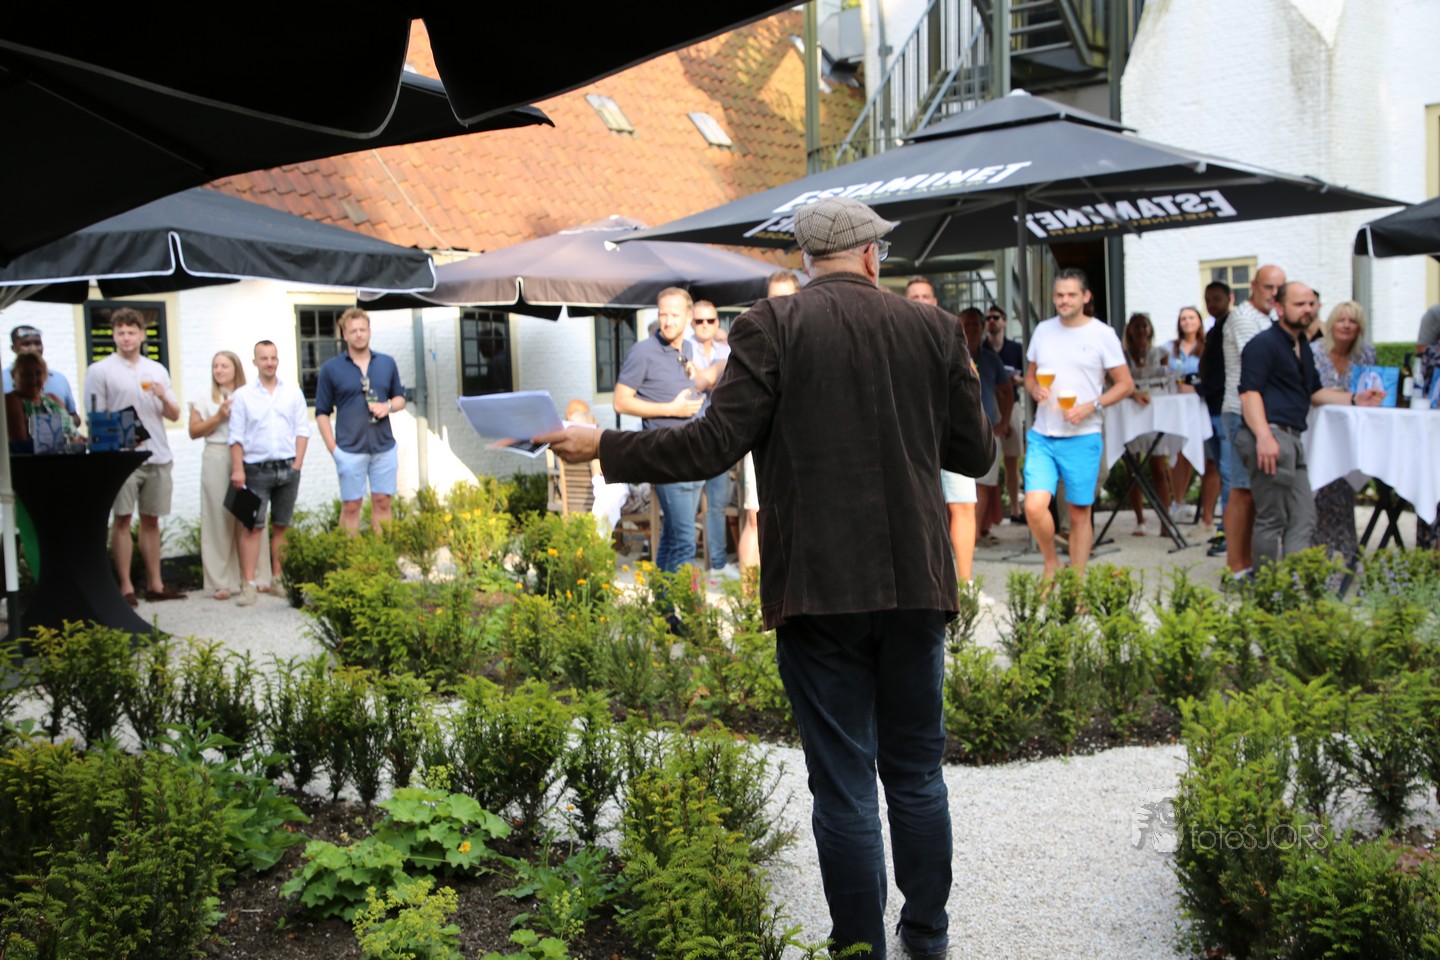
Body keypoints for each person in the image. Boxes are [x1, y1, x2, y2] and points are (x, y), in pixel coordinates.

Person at [537, 196, 993, 960]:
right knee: (917, 775)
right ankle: (928, 935)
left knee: (844, 786)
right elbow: (976, 454)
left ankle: (859, 950)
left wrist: (604, 446)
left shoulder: (770, 325)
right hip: (915, 580)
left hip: (818, 585)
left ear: (807, 260)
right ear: (872, 255)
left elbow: (710, 445)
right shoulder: (933, 328)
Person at [1232, 283, 1384, 568]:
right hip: (1270, 436)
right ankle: (1266, 587)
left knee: (1304, 518)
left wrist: (1355, 398)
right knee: (1272, 519)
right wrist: (1264, 436)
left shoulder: (1301, 345)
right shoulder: (1263, 344)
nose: (1308, 310)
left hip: (1293, 439)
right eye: (1299, 304)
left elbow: (1314, 392)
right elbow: (1249, 393)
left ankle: (1294, 584)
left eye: (1311, 304)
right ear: (1279, 308)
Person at [1024, 269, 1134, 579]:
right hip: (1043, 434)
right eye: (1059, 295)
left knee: (1079, 513)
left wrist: (1091, 406)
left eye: (1071, 295)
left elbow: (1126, 384)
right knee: (1034, 506)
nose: (1064, 300)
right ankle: (1051, 563)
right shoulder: (1043, 330)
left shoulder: (1102, 334)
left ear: (1086, 297)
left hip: (1083, 435)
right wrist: (1034, 389)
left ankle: (1077, 582)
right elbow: (1030, 376)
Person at [86, 307, 185, 604]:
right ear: (113, 336)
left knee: (151, 520)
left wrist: (162, 394)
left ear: (142, 335)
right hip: (122, 458)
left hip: (157, 454)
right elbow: (95, 417)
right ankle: (126, 588)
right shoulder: (100, 370)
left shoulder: (157, 370)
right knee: (122, 519)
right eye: (121, 332)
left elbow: (174, 414)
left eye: (131, 332)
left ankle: (155, 584)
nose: (126, 337)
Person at [613, 287, 706, 572]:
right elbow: (620, 401)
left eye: (674, 315)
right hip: (666, 456)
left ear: (689, 317)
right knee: (685, 541)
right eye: (663, 314)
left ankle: (662, 598)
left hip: (694, 455)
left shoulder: (687, 349)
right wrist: (671, 409)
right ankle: (683, 598)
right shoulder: (643, 352)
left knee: (673, 535)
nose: (667, 321)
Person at [228, 340, 309, 606]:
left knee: (282, 525)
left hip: (287, 468)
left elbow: (302, 430)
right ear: (255, 362)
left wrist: (297, 465)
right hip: (255, 470)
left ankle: (278, 580)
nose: (269, 363)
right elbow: (235, 436)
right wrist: (238, 469)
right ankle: (249, 584)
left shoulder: (292, 393)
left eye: (273, 357)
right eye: (264, 358)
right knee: (252, 527)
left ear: (278, 360)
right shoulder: (242, 396)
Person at [315, 307, 406, 535]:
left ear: (369, 331)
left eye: (362, 329)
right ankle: (350, 556)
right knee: (351, 506)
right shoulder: (331, 368)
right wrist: (334, 450)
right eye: (353, 330)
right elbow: (322, 412)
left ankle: (382, 553)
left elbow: (400, 399)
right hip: (349, 449)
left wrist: (387, 406)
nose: (358, 334)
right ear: (344, 334)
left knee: (383, 502)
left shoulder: (386, 363)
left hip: (384, 446)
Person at [1222, 264, 1286, 577]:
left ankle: (1249, 562)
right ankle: (1236, 567)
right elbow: (1264, 358)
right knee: (1242, 490)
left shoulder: (1270, 318)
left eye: (1279, 289)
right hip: (1240, 411)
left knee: (1256, 492)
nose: (1273, 294)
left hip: (1260, 411)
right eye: (1268, 287)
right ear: (1253, 285)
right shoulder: (1243, 317)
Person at [735, 271, 801, 574]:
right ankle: (747, 595)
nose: (779, 304)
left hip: (800, 441)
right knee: (756, 515)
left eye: (786, 297)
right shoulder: (756, 335)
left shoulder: (809, 334)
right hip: (762, 437)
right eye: (774, 298)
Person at [1309, 301, 1376, 570]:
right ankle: (1318, 554)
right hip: (1317, 432)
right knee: (1321, 487)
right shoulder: (1314, 352)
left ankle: (1346, 551)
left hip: (1350, 435)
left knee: (1344, 488)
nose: (1347, 325)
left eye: (1353, 321)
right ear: (1331, 324)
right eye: (1341, 320)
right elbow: (1310, 393)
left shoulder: (1366, 354)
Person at [189, 350, 258, 601]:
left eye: (224, 366)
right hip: (217, 453)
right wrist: (219, 416)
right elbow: (194, 431)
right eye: (215, 366)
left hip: (247, 455)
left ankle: (253, 577)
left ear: (235, 369)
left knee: (249, 514)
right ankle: (221, 581)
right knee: (218, 516)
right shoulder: (203, 397)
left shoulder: (251, 394)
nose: (218, 370)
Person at [686, 299, 740, 582]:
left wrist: (708, 375)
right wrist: (709, 377)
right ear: (692, 323)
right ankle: (685, 568)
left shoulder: (727, 350)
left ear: (717, 322)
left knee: (717, 504)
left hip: (719, 433)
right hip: (692, 434)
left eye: (710, 320)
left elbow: (731, 383)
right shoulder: (684, 349)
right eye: (699, 321)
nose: (705, 325)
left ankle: (717, 563)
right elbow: (690, 386)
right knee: (689, 504)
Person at [961, 306, 1011, 560]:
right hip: (956, 432)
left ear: (982, 328)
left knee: (983, 485)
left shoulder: (992, 359)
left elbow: (1007, 391)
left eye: (975, 324)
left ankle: (975, 535)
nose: (971, 329)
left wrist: (1005, 422)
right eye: (966, 324)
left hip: (986, 430)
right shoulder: (950, 352)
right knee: (960, 488)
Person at [1121, 312, 1174, 536]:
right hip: (1130, 411)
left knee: (1158, 467)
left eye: (1145, 326)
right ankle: (1140, 520)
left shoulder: (1161, 353)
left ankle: (1165, 520)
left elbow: (1166, 381)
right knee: (1133, 469)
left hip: (1154, 411)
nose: (1142, 330)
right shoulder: (1122, 356)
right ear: (1129, 330)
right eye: (1137, 326)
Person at [1199, 282, 1234, 556]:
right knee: (1221, 470)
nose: (1212, 304)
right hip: (1211, 407)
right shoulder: (1213, 331)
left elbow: (1224, 373)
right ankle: (1227, 528)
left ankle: (1231, 531)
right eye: (1208, 299)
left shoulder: (1230, 329)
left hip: (1225, 407)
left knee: (1229, 471)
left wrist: (1198, 388)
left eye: (1217, 299)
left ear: (1229, 298)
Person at [982, 304, 1026, 525]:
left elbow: (1029, 379)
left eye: (996, 317)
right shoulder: (980, 349)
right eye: (988, 318)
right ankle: (989, 517)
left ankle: (1015, 509)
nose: (992, 321)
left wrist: (1015, 381)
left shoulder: (1016, 349)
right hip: (988, 408)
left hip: (1012, 405)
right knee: (986, 464)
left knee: (1011, 461)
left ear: (1005, 321)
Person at [1168, 306, 1207, 521]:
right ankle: (1177, 499)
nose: (1187, 322)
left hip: (1197, 404)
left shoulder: (1206, 347)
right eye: (1183, 318)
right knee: (1176, 450)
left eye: (1191, 317)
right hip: (1175, 404)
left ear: (1199, 321)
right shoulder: (1170, 348)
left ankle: (1181, 498)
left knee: (1191, 448)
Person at [3, 325, 78, 426]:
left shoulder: (59, 379)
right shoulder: (2, 380)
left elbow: (73, 415)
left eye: (37, 343)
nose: (33, 348)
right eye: (26, 344)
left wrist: (64, 424)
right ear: (13, 348)